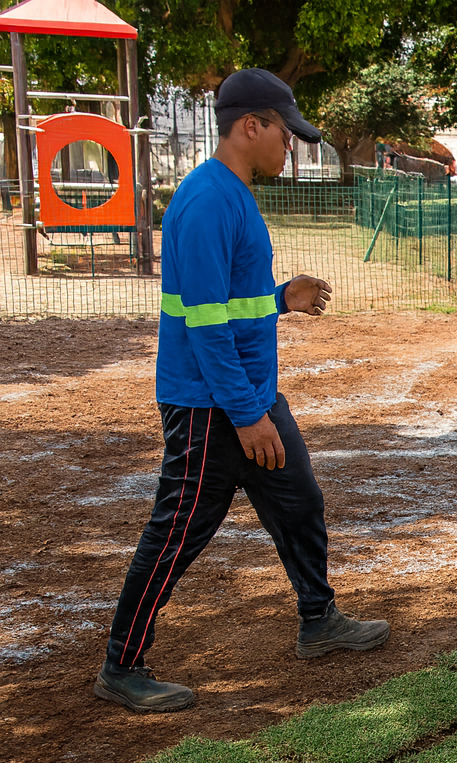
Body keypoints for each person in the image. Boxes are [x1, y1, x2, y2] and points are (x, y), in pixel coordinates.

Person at [95, 69, 388, 714]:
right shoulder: (206, 201)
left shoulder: (233, 194)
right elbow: (203, 326)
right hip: (212, 406)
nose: (292, 147)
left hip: (249, 396)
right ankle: (122, 664)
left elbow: (227, 303)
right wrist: (248, 415)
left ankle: (319, 619)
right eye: (287, 134)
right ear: (251, 125)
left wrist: (281, 299)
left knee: (299, 501)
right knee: (178, 532)